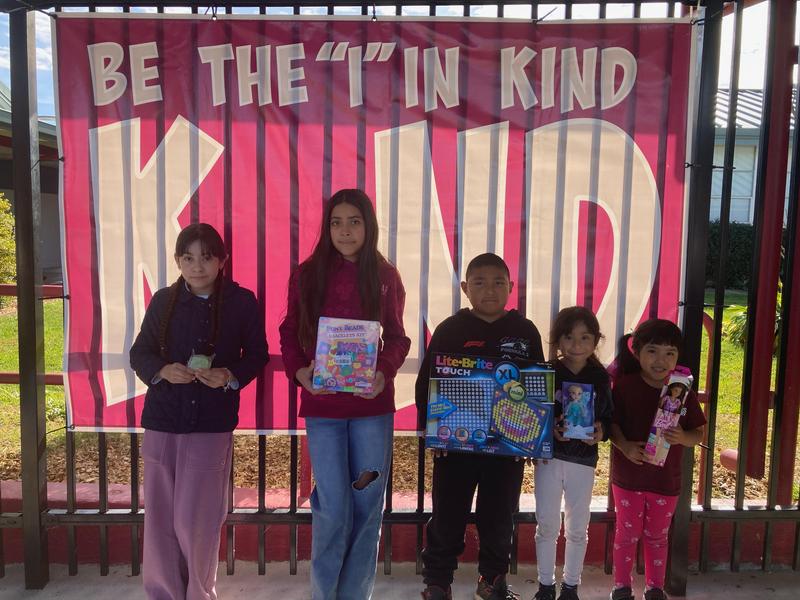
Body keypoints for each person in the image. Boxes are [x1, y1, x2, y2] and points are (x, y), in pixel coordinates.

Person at [279, 188, 410, 600]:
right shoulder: (307, 274)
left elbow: (398, 338)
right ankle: (324, 594)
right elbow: (288, 331)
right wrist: (300, 371)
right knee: (333, 508)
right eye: (336, 222)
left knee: (367, 506)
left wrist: (384, 373)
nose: (345, 230)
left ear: (368, 226)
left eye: (354, 221)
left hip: (372, 410)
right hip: (324, 410)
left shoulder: (385, 277)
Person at [130, 223, 269, 600]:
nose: (197, 266)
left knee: (199, 520)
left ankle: (199, 593)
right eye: (188, 258)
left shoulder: (242, 302)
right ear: (177, 261)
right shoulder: (163, 301)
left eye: (206, 257)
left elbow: (257, 355)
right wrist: (161, 370)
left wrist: (229, 375)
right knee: (160, 518)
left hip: (211, 425)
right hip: (162, 423)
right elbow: (139, 352)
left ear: (222, 261)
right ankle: (163, 593)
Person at [417, 253, 545, 600]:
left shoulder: (525, 331)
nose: (490, 290)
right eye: (479, 282)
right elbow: (426, 382)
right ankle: (438, 582)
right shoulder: (450, 329)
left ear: (511, 287)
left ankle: (492, 580)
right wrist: (431, 432)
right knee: (447, 514)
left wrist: (533, 441)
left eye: (498, 282)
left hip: (506, 449)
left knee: (499, 516)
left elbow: (537, 389)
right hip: (455, 444)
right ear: (464, 288)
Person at [608, 319, 706, 600]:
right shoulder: (624, 387)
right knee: (626, 536)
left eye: (669, 353)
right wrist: (625, 445)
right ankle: (621, 587)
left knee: (657, 537)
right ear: (636, 352)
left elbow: (698, 432)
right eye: (652, 351)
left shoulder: (681, 392)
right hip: (628, 478)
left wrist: (682, 438)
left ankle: (654, 588)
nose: (661, 360)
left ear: (678, 358)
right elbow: (612, 426)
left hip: (666, 481)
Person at [532, 306, 613, 600]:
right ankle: (544, 586)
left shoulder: (600, 377)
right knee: (547, 523)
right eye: (568, 337)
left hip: (583, 462)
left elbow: (609, 418)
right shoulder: (548, 372)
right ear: (557, 340)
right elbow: (535, 413)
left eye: (584, 337)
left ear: (596, 341)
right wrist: (549, 428)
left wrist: (601, 432)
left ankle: (570, 586)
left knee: (577, 527)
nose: (576, 345)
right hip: (549, 459)